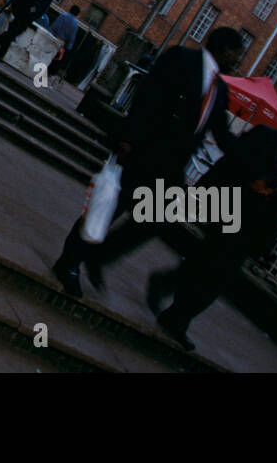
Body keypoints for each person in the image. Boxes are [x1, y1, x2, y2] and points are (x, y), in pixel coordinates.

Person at [50, 26, 244, 298]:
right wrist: (128, 138)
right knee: (108, 207)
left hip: (171, 168)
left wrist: (252, 161)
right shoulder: (181, 58)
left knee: (158, 219)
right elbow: (148, 96)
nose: (238, 62)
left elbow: (222, 134)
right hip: (145, 152)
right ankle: (68, 263)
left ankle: (101, 255)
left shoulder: (220, 90)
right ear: (224, 50)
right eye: (237, 55)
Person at [149, 119, 277, 350]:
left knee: (214, 272)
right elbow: (231, 161)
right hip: (227, 211)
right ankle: (176, 313)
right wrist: (250, 179)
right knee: (212, 268)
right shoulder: (267, 135)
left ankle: (171, 294)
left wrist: (268, 246)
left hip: (250, 230)